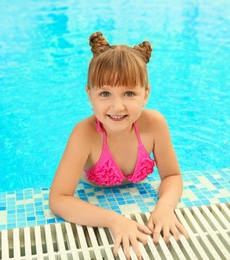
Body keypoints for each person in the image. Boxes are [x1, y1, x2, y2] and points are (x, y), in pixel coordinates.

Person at [49, 31, 188, 259]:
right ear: (89, 95)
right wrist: (114, 220)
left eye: (129, 93)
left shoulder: (154, 125)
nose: (117, 106)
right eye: (105, 93)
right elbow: (59, 199)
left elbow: (172, 176)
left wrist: (164, 208)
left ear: (146, 94)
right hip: (94, 191)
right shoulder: (84, 135)